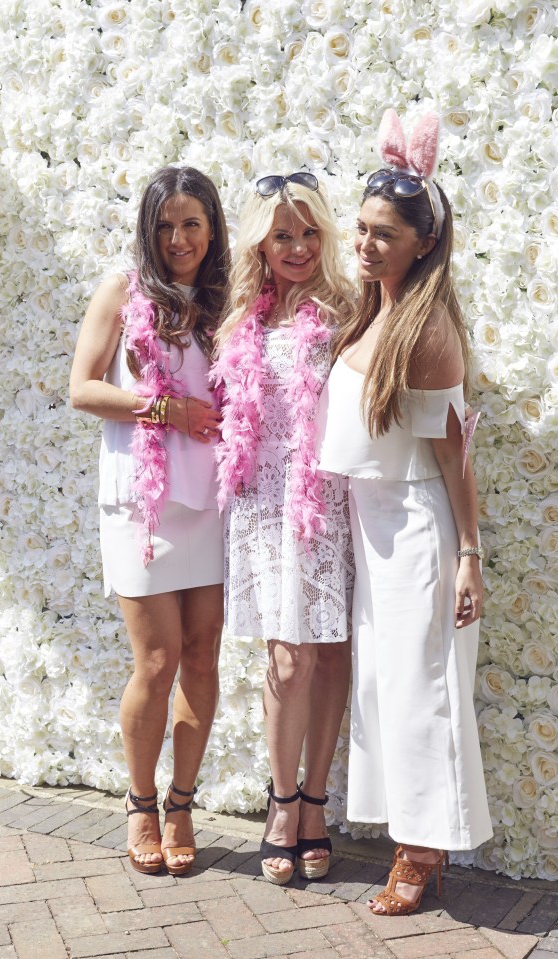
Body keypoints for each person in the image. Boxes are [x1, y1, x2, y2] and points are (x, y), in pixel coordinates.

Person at [317, 110, 493, 915]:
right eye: (360, 228)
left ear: (423, 241)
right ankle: (407, 833)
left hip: (418, 528)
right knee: (386, 687)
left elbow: (456, 455)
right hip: (372, 523)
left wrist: (468, 554)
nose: (365, 243)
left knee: (422, 690)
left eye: (384, 233)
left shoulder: (428, 330)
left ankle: (423, 852)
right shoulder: (372, 309)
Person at [69, 166, 230, 876]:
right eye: (165, 224)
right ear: (148, 228)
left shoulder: (230, 299)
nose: (178, 238)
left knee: (202, 655)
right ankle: (139, 805)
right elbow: (83, 388)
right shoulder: (122, 291)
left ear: (213, 226)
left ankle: (183, 803)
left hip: (214, 501)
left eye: (192, 222)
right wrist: (167, 411)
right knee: (157, 659)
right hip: (142, 500)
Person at [211, 173, 354, 885]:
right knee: (287, 657)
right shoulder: (241, 320)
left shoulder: (350, 311)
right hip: (267, 505)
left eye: (307, 232)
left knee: (329, 654)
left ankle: (316, 803)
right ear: (260, 244)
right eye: (281, 235)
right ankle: (281, 799)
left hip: (335, 502)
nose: (296, 246)